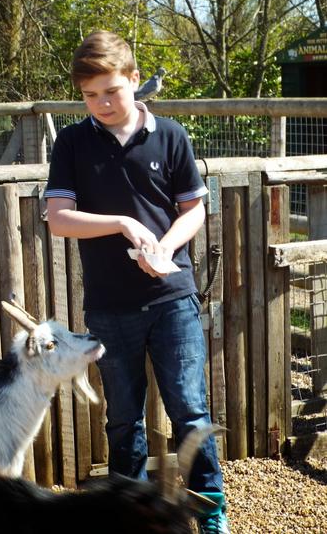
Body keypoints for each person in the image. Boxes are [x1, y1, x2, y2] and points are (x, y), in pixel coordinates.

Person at [44, 31, 230, 534]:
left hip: (173, 297)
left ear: (133, 80)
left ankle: (210, 514)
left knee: (190, 412)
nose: (101, 103)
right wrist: (122, 224)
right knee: (123, 420)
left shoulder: (171, 134)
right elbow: (58, 218)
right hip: (109, 305)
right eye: (90, 95)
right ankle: (126, 520)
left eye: (111, 90)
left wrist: (166, 246)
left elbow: (194, 209)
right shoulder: (73, 142)